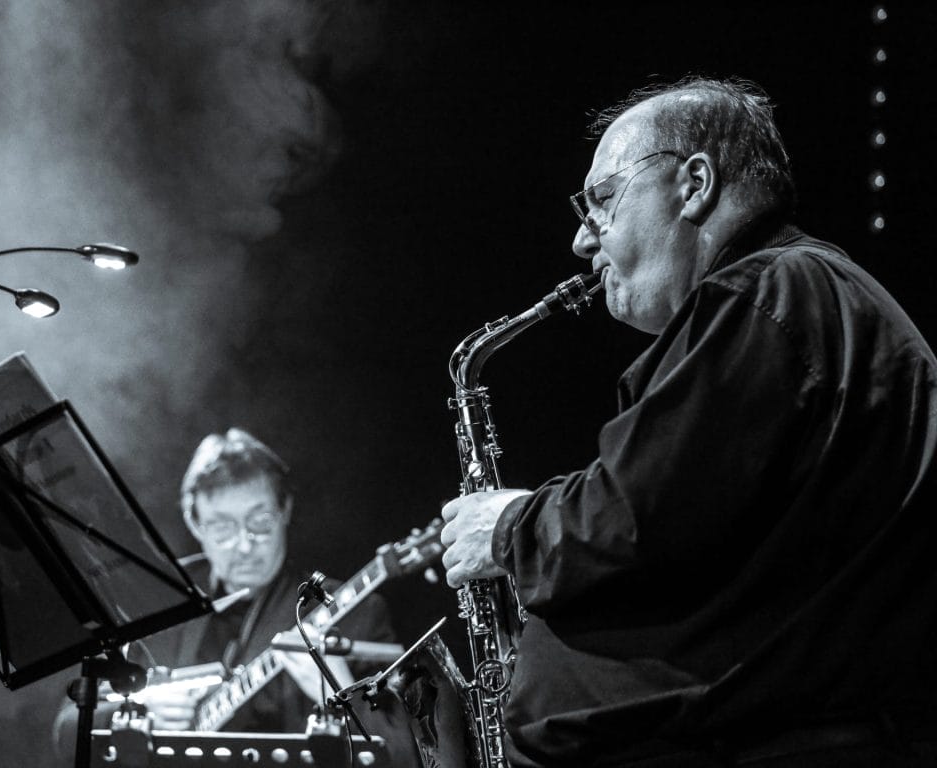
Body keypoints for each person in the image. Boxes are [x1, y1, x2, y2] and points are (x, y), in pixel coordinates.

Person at [439, 76, 937, 767]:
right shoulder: (808, 294)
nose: (583, 240)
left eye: (603, 201)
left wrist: (510, 528)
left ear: (694, 184)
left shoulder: (768, 289)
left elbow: (638, 516)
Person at [54, 428, 420, 766]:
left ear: (285, 511)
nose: (244, 545)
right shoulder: (155, 599)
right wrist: (138, 707)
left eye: (260, 522)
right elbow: (68, 731)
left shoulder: (355, 612)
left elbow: (407, 753)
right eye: (222, 526)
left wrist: (342, 689)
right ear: (195, 522)